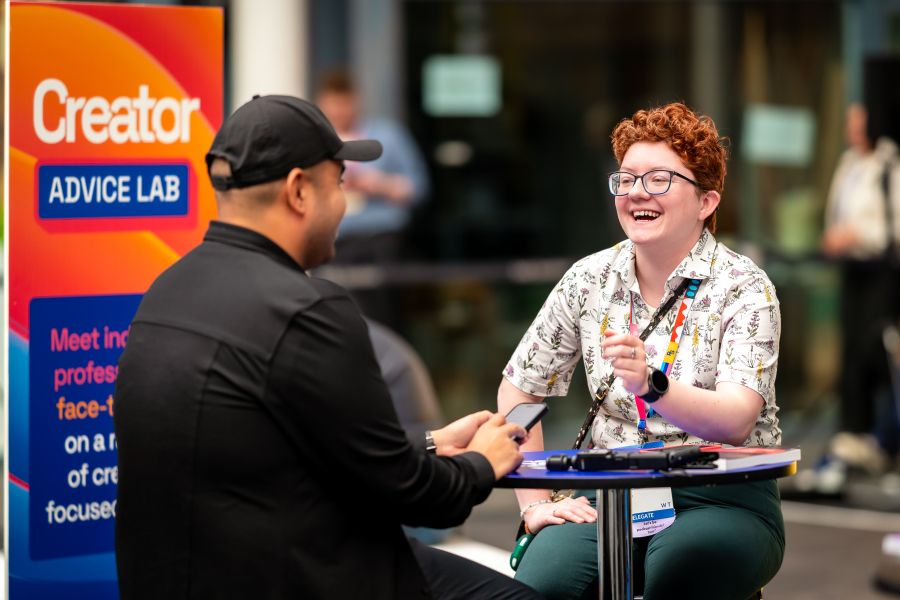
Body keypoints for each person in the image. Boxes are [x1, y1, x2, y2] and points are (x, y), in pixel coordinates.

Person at [113, 94, 542, 600]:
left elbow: (288, 450)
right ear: (299, 191)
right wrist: (482, 462)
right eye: (338, 184)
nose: (344, 204)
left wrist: (432, 442)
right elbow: (417, 498)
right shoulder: (307, 309)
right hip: (298, 574)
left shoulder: (167, 290)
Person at [497, 102, 784, 599]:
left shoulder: (744, 287)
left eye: (658, 180)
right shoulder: (589, 279)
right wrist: (535, 504)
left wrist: (653, 385)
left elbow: (738, 419)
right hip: (609, 490)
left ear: (706, 201)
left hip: (720, 494)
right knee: (542, 583)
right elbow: (519, 388)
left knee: (682, 567)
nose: (636, 193)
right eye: (626, 179)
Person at [819, 103, 900, 477]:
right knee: (851, 354)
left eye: (858, 123)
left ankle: (884, 439)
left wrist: (858, 235)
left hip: (881, 273)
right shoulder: (847, 163)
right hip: (850, 271)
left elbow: (892, 228)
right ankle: (855, 438)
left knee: (877, 353)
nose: (852, 130)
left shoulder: (889, 165)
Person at [315, 69, 431, 326]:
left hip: (381, 242)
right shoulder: (315, 143)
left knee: (385, 320)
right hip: (335, 244)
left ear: (355, 100)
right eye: (333, 103)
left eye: (344, 102)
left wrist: (378, 184)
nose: (339, 111)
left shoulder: (387, 136)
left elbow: (419, 187)